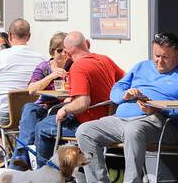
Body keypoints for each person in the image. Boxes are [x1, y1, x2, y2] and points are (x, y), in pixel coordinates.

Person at [73, 31, 178, 183]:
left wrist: (158, 107)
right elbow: (116, 89)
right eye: (156, 56)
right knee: (85, 130)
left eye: (165, 57)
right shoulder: (141, 67)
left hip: (160, 123)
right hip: (122, 118)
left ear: (177, 55)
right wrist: (125, 95)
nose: (159, 61)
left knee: (134, 129)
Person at [33, 31, 121, 173]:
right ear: (87, 44)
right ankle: (67, 170)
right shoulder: (105, 59)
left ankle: (45, 173)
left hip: (87, 124)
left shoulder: (78, 68)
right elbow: (125, 80)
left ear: (68, 53)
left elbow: (82, 103)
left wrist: (65, 109)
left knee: (41, 127)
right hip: (109, 121)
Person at [9, 32, 69, 170]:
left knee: (38, 123)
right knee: (30, 108)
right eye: (59, 50)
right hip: (43, 106)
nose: (63, 54)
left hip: (61, 108)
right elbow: (32, 89)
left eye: (66, 51)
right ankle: (20, 160)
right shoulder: (44, 67)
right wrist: (52, 76)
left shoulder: (73, 66)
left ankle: (25, 162)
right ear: (52, 51)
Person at [0, 19, 44, 129]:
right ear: (29, 36)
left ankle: (0, 146)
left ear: (10, 35)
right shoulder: (41, 58)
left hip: (6, 115)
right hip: (32, 113)